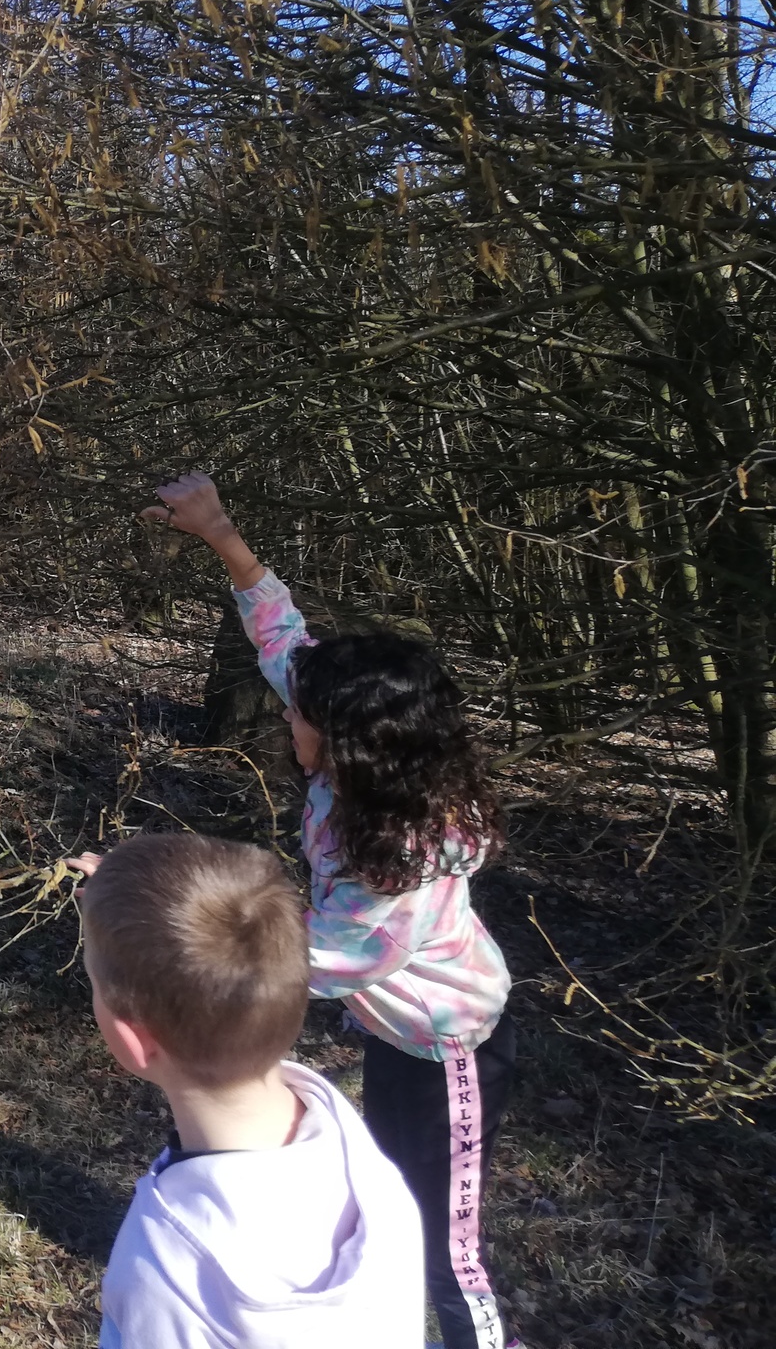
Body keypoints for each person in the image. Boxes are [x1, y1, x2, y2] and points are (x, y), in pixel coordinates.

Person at [145, 471, 518, 1349]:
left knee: (445, 1246)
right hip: (397, 1036)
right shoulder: (358, 775)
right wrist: (221, 533)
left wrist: (161, 910)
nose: (289, 717)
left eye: (302, 715)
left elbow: (312, 962)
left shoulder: (399, 868)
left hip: (449, 1052)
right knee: (386, 1200)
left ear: (351, 742)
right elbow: (284, 639)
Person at [75, 832, 425, 1348]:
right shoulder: (352, 1153)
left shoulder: (166, 1272)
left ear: (136, 1040)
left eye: (93, 984)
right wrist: (124, 904)